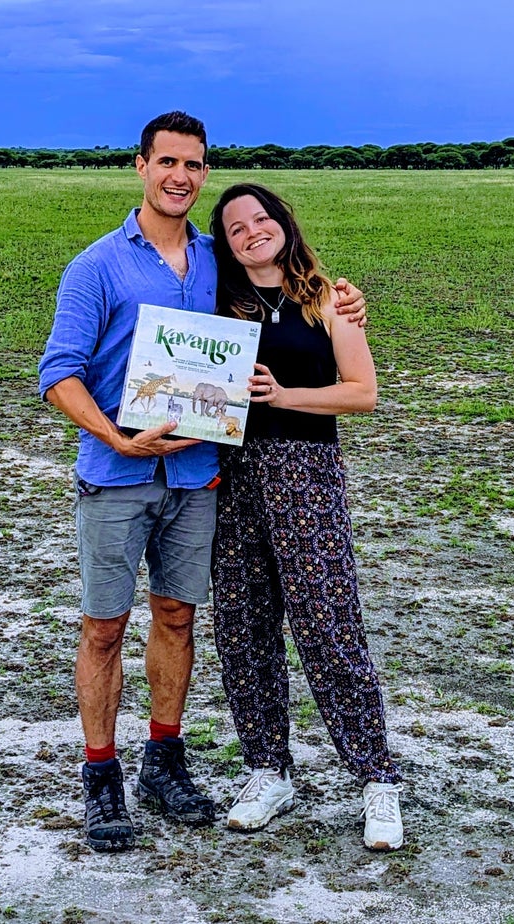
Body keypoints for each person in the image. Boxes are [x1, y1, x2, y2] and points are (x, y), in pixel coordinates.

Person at [38, 113, 367, 852]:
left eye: (193, 164)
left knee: (178, 617)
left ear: (204, 173)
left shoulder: (221, 259)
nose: (180, 176)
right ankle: (101, 775)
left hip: (196, 476)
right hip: (116, 474)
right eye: (167, 162)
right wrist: (116, 436)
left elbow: (295, 286)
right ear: (141, 166)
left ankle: (165, 760)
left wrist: (345, 301)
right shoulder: (96, 267)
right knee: (104, 626)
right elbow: (58, 373)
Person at [208, 181, 404, 851]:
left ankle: (376, 777)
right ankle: (268, 769)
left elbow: (362, 393)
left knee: (328, 623)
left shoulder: (326, 298)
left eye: (261, 219)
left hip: (306, 473)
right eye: (236, 227)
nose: (252, 232)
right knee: (244, 625)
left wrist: (284, 394)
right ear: (225, 244)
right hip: (231, 475)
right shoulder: (216, 300)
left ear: (284, 224)